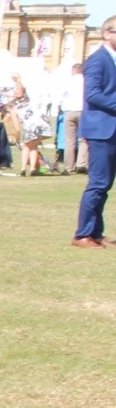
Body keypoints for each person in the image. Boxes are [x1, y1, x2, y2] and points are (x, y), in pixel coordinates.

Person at [74, 16, 116, 248]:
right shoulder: (97, 60)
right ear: (106, 33)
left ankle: (96, 233)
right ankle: (82, 234)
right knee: (98, 183)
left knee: (105, 185)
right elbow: (93, 95)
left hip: (111, 130)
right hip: (101, 131)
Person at [60, 63, 86, 173]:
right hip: (82, 110)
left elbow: (60, 95)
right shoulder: (86, 81)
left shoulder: (67, 81)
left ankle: (68, 166)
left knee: (69, 141)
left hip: (69, 111)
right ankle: (81, 164)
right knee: (83, 139)